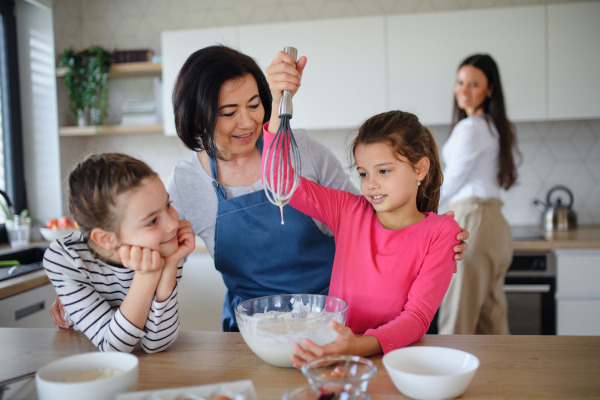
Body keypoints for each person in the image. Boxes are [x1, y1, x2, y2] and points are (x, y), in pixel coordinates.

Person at [51, 46, 469, 332]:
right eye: (229, 112)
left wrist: (426, 235)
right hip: (251, 331)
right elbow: (145, 243)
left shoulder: (299, 147)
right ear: (196, 119)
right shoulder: (187, 182)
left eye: (255, 105)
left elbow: (370, 215)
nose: (248, 122)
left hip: (333, 322)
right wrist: (81, 293)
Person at [263, 52, 460, 367]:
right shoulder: (347, 210)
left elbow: (418, 317)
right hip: (334, 354)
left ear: (420, 169)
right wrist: (278, 103)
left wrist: (357, 345)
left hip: (396, 361)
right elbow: (280, 180)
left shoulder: (441, 232)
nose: (370, 184)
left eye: (384, 171)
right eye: (364, 173)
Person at [43, 153, 195, 352]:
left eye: (167, 205)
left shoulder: (162, 243)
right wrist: (146, 277)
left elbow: (156, 344)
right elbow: (113, 348)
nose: (173, 224)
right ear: (106, 239)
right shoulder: (64, 258)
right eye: (151, 221)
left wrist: (169, 266)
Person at [437, 54, 519, 335]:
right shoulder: (495, 127)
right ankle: (505, 379)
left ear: (489, 89)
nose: (463, 89)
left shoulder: (471, 127)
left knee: (457, 318)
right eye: (460, 82)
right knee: (492, 323)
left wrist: (415, 212)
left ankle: (445, 378)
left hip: (474, 220)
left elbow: (450, 182)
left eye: (473, 83)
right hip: (495, 224)